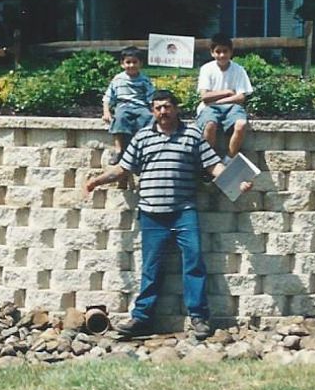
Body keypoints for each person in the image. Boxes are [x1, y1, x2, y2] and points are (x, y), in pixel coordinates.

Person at [84, 89, 253, 339]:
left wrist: (237, 184)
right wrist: (95, 182)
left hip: (184, 212)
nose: (163, 112)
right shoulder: (142, 138)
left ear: (176, 108)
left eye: (167, 107)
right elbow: (122, 169)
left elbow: (213, 165)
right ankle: (141, 319)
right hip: (152, 214)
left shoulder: (193, 136)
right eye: (158, 108)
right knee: (151, 269)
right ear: (153, 111)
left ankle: (199, 318)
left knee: (194, 264)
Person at [196, 33, 253, 160]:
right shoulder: (206, 69)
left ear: (231, 52)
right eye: (218, 51)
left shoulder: (238, 70)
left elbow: (240, 97)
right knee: (210, 125)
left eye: (225, 51)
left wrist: (218, 100)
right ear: (212, 53)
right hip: (209, 108)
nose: (222, 55)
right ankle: (208, 160)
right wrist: (227, 92)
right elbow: (205, 97)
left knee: (241, 124)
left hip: (232, 107)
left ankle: (229, 159)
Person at [102, 46, 155, 164]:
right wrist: (106, 112)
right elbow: (108, 97)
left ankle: (142, 149)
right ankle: (118, 149)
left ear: (140, 63)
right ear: (122, 64)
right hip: (123, 106)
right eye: (128, 62)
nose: (131, 65)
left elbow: (151, 97)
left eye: (135, 62)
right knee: (119, 119)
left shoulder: (144, 80)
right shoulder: (118, 79)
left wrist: (153, 110)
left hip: (141, 106)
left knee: (149, 119)